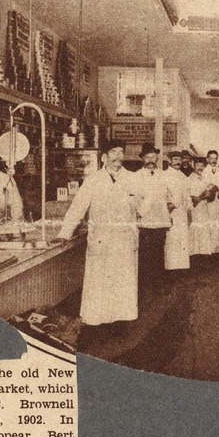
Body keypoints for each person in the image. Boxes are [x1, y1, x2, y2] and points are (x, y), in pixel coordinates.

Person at [54, 138, 138, 327]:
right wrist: (64, 233)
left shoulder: (132, 178)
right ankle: (97, 324)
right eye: (114, 152)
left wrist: (138, 204)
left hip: (124, 239)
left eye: (121, 152)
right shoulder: (93, 180)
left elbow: (143, 204)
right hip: (101, 239)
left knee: (122, 282)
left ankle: (121, 324)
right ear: (104, 157)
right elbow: (77, 208)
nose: (118, 156)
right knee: (100, 284)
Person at [131, 142, 173, 290]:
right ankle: (144, 284)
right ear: (143, 159)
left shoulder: (164, 175)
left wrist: (170, 207)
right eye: (147, 157)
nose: (150, 160)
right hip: (144, 221)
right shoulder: (136, 176)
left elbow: (171, 195)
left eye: (153, 157)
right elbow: (134, 198)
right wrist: (140, 212)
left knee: (159, 250)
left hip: (161, 220)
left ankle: (158, 283)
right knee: (144, 252)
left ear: (157, 158)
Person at [163, 150, 192, 271]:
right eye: (175, 159)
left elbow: (187, 195)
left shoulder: (182, 176)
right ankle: (170, 268)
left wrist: (190, 211)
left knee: (182, 239)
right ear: (169, 161)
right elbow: (163, 195)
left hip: (182, 213)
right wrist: (167, 209)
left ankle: (181, 268)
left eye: (179, 160)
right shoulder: (164, 175)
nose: (178, 162)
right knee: (171, 240)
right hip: (171, 212)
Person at [188, 155, 219, 258]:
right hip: (194, 208)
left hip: (204, 208)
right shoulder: (189, 179)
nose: (200, 168)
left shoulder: (205, 178)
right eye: (197, 165)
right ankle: (194, 255)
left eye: (202, 166)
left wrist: (209, 194)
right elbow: (187, 195)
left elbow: (211, 194)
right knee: (195, 230)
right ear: (193, 165)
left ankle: (203, 255)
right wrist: (195, 198)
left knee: (204, 230)